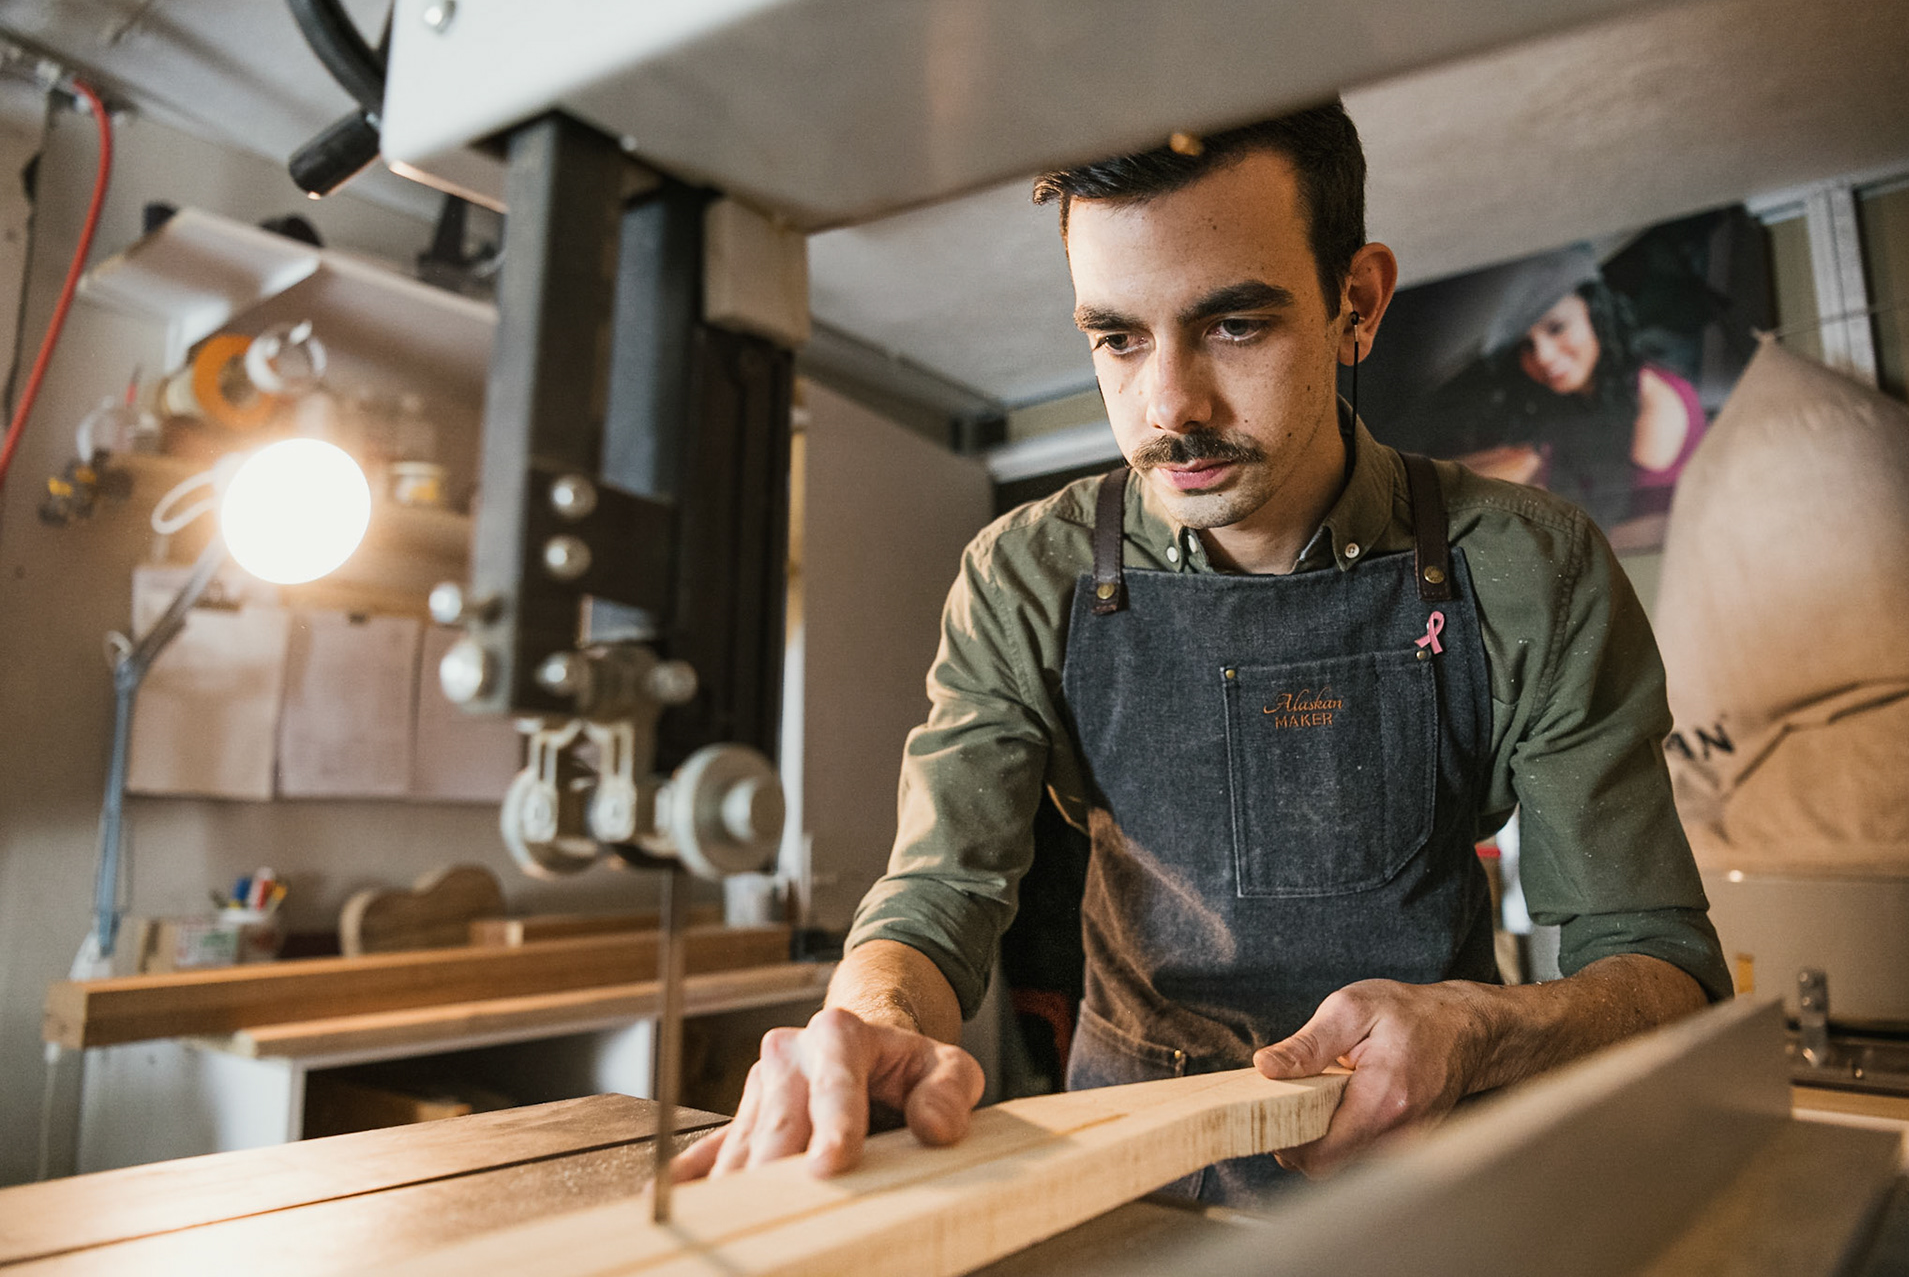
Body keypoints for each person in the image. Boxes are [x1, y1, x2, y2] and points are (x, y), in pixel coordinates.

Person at [675, 102, 1730, 1207]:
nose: (1169, 404)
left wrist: (1485, 1026)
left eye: (1234, 324)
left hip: (1434, 1184)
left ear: (1355, 305)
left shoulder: (1529, 566)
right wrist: (872, 1019)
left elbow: (1659, 969)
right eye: (1118, 337)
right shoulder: (1025, 577)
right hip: (1134, 1183)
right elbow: (935, 898)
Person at [1446, 251, 1709, 544]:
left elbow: (1601, 533)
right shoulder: (1582, 398)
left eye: (1557, 327)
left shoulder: (1651, 406)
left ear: (1596, 314)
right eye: (1527, 346)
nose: (1543, 356)